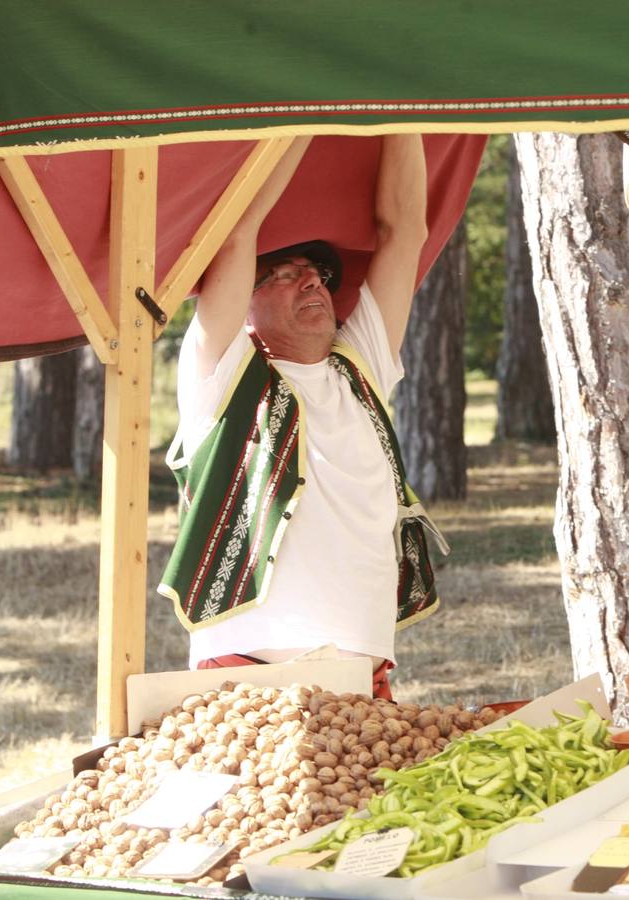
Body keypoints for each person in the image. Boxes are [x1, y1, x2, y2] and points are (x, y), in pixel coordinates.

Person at [157, 135, 443, 700]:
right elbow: (238, 233)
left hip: (362, 678)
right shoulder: (220, 375)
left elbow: (405, 232)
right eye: (284, 273)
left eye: (316, 273)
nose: (313, 280)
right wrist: (302, 116)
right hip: (247, 678)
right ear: (244, 304)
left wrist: (402, 112)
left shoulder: (361, 369)